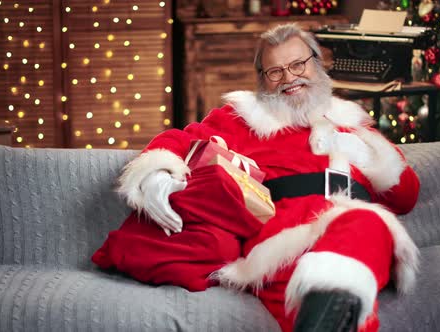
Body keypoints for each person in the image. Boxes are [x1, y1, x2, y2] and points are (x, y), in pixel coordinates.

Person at [96, 23, 420, 332]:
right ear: (263, 80)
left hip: (362, 235)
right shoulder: (244, 120)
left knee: (367, 225)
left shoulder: (353, 124)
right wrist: (156, 173)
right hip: (286, 245)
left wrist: (365, 153)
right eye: (275, 71)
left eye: (298, 65)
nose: (288, 78)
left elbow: (405, 196)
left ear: (317, 65)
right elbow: (181, 140)